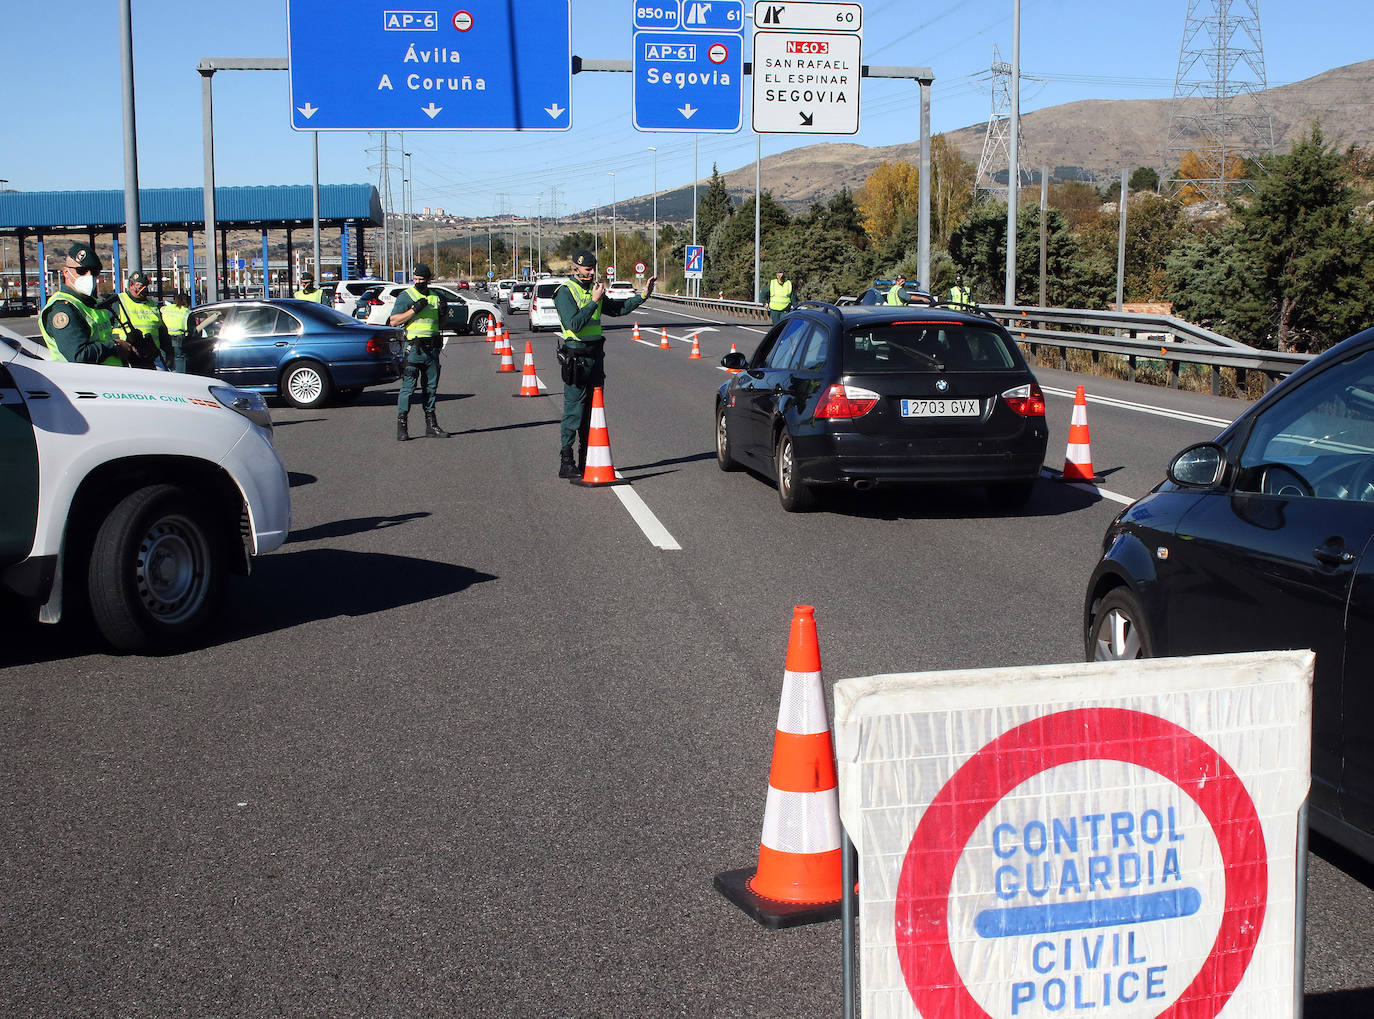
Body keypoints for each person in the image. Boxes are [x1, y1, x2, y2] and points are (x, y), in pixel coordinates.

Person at [555, 249, 655, 479]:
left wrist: (642, 295)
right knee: (574, 410)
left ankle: (586, 457)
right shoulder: (565, 292)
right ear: (575, 269)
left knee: (593, 410)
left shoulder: (595, 290)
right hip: (576, 358)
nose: (591, 274)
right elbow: (574, 324)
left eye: (593, 269)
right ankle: (566, 459)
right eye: (587, 270)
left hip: (596, 357)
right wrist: (593, 302)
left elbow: (616, 310)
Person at [39, 242, 138, 365]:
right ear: (66, 272)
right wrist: (115, 346)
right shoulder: (63, 308)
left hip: (106, 378)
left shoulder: (92, 303)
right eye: (82, 270)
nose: (89, 276)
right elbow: (78, 354)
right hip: (83, 381)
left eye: (94, 271)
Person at [389, 262, 451, 441]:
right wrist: (414, 310)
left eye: (421, 280)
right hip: (413, 349)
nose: (418, 282)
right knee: (408, 388)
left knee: (431, 388)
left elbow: (441, 323)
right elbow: (394, 321)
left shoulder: (436, 297)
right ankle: (402, 426)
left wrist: (443, 314)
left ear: (429, 280)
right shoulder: (406, 296)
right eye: (415, 279)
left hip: (431, 349)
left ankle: (431, 425)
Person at [113, 270, 171, 368]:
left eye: (145, 286)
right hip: (128, 357)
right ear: (131, 285)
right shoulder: (119, 302)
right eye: (139, 286)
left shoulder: (152, 305)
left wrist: (169, 354)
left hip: (152, 357)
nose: (143, 289)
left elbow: (162, 332)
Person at [161, 291, 192, 372]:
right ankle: (180, 379)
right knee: (179, 359)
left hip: (164, 339)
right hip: (178, 339)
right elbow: (192, 331)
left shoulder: (166, 309)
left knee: (164, 361)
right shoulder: (186, 312)